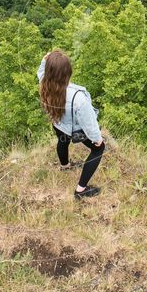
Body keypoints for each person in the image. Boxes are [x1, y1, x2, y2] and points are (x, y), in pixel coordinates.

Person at [37, 50, 104, 198]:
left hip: (58, 123)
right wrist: (97, 139)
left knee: (62, 141)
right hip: (76, 129)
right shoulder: (78, 97)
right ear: (67, 72)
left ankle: (65, 166)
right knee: (99, 150)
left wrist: (45, 60)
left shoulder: (44, 83)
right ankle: (81, 190)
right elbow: (89, 123)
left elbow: (41, 72)